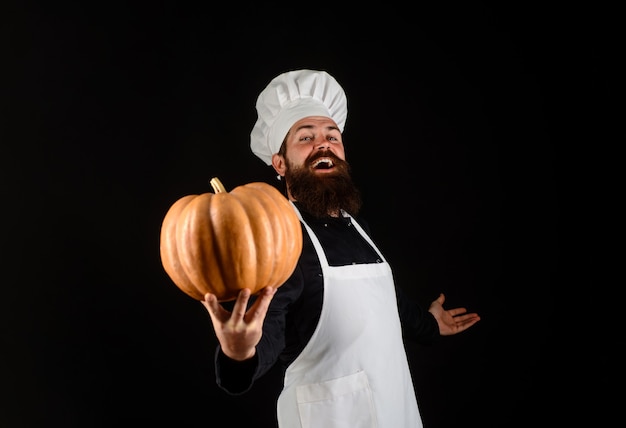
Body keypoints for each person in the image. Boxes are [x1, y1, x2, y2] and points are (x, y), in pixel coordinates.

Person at [201, 69, 481, 428]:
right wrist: (238, 354)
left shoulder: (354, 225)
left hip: (396, 412)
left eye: (332, 136)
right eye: (306, 137)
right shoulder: (282, 241)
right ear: (280, 163)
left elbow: (385, 301)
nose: (323, 144)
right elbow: (266, 331)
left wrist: (428, 324)